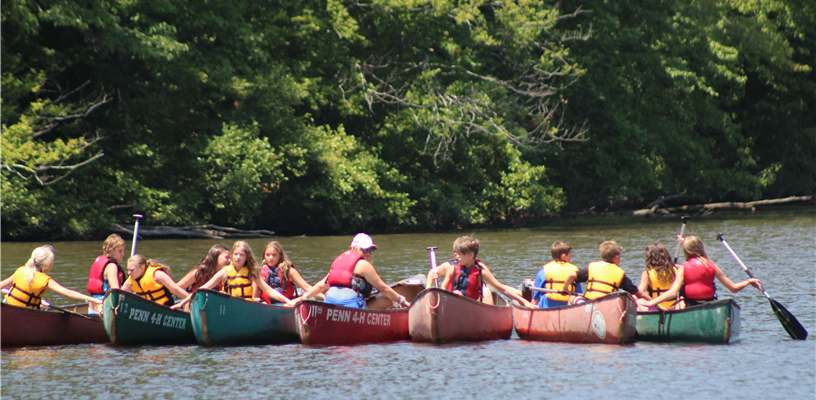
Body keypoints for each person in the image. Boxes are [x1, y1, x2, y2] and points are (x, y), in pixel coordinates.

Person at [285, 233, 411, 309]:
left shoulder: (339, 261)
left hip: (330, 304)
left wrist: (303, 298)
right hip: (352, 308)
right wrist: (403, 301)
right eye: (364, 250)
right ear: (355, 248)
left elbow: (321, 285)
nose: (368, 254)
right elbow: (383, 288)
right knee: (387, 299)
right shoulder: (363, 264)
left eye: (371, 250)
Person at [638, 236, 761, 310]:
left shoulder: (684, 267)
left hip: (691, 306)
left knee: (679, 300)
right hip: (709, 305)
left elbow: (672, 292)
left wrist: (651, 303)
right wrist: (749, 281)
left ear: (686, 251)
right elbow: (733, 288)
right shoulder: (711, 265)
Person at [173, 241, 290, 309]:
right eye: (235, 254)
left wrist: (289, 302)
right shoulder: (224, 272)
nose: (238, 258)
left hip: (247, 308)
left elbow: (269, 291)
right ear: (232, 255)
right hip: (231, 308)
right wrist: (182, 303)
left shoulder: (252, 273)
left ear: (247, 258)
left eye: (242, 255)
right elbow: (201, 289)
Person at [429, 235, 537, 308]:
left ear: (471, 255)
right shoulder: (453, 268)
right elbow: (443, 288)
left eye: (460, 254)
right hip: (450, 305)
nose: (457, 257)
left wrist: (525, 302)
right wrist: (435, 286)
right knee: (456, 293)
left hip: (471, 307)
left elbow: (502, 289)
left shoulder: (481, 271)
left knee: (460, 293)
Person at [1, 245, 102, 310]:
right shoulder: (45, 280)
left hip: (7, 307)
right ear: (46, 263)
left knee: (42, 305)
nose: (52, 264)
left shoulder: (20, 270)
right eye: (52, 261)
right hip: (24, 313)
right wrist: (93, 299)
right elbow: (68, 293)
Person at [562, 240, 651, 303]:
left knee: (572, 297)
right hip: (607, 304)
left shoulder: (592, 266)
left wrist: (565, 288)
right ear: (616, 258)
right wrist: (654, 302)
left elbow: (572, 275)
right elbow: (638, 293)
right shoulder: (620, 273)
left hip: (589, 302)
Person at [254, 241, 322, 304]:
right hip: (266, 304)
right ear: (264, 256)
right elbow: (253, 297)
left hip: (288, 303)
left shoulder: (289, 271)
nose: (271, 258)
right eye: (268, 255)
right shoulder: (259, 272)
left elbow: (307, 287)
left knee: (308, 297)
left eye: (274, 255)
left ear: (280, 256)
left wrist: (324, 298)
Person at [121, 255, 190, 307]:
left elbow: (176, 290)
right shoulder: (130, 281)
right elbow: (119, 294)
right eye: (128, 270)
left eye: (132, 270)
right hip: (149, 311)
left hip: (166, 308)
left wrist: (192, 300)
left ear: (142, 268)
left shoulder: (157, 274)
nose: (129, 273)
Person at [532, 241, 583, 308]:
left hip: (547, 307)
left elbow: (535, 299)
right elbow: (579, 295)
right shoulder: (574, 271)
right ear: (564, 256)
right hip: (568, 307)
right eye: (570, 257)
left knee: (534, 285)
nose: (570, 259)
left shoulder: (542, 272)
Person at [86, 234, 127, 312]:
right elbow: (115, 290)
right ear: (110, 251)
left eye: (123, 251)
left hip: (92, 304)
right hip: (103, 304)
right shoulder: (112, 266)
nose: (123, 253)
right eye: (120, 251)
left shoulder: (99, 260)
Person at [637, 242, 680, 310]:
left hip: (655, 309)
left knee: (638, 301)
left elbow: (639, 292)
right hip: (673, 308)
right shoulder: (675, 271)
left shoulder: (647, 273)